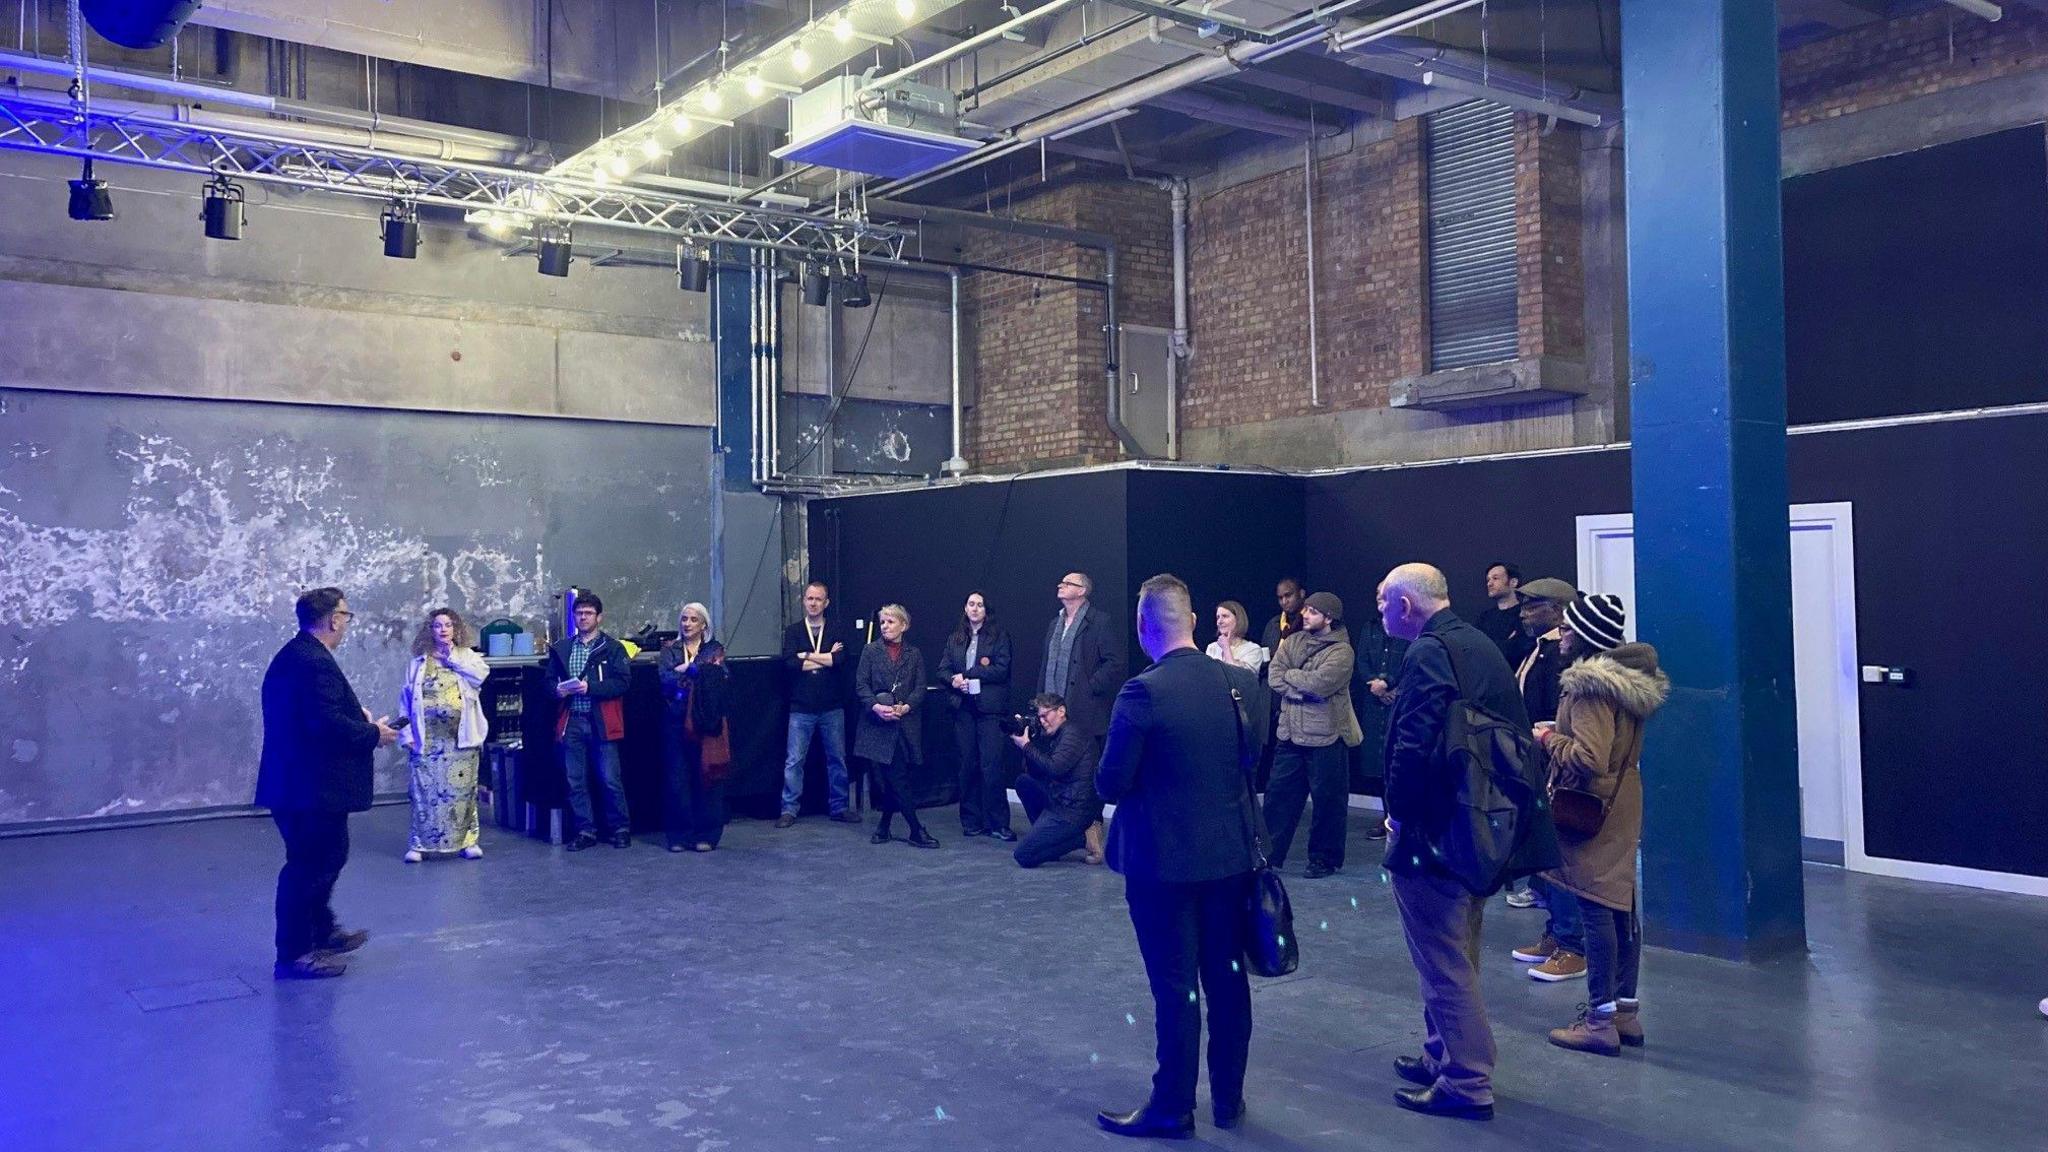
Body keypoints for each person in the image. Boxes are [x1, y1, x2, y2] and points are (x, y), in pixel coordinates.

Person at [1095, 574, 1259, 1139]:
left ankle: (1173, 1107)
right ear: (1191, 620)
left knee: (1175, 986)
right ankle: (1230, 1102)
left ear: (1144, 628)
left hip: (1162, 864)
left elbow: (1110, 782)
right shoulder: (1242, 684)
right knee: (1228, 979)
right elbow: (1247, 762)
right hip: (1232, 860)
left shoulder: (1142, 692)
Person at [1377, 562, 1531, 1120]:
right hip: (1477, 828)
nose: (1380, 610)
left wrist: (1398, 816)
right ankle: (1441, 1053)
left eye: (1383, 602)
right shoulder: (1478, 645)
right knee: (1457, 947)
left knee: (1442, 958)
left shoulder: (1427, 653)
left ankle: (1466, 1081)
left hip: (1436, 831)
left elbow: (1411, 748)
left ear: (1407, 607)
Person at [1538, 594, 1664, 1055]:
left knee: (1595, 906)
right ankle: (1625, 1012)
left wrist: (1549, 737)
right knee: (1621, 904)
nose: (1560, 635)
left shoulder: (1589, 687)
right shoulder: (1631, 682)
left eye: (1568, 629)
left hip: (1591, 805)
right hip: (1625, 799)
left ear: (1587, 637)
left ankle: (1598, 1019)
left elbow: (1589, 758)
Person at [256, 587, 400, 980]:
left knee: (324, 859)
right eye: (346, 616)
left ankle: (322, 932)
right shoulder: (313, 662)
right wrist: (373, 734)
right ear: (335, 619)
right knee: (310, 866)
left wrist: (359, 719)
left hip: (299, 784)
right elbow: (327, 726)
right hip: (309, 788)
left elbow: (317, 716)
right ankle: (296, 954)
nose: (347, 623)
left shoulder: (297, 655)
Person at [1506, 577, 1589, 980]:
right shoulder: (1537, 649)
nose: (1523, 612)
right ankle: (1556, 933)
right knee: (1540, 855)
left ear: (1558, 610)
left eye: (1532, 605)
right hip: (1537, 763)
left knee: (1560, 857)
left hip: (1558, 766)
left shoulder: (1565, 655)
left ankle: (1573, 943)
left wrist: (1548, 738)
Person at [1263, 591, 1362, 878]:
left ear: (1329, 618)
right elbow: (1274, 676)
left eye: (1313, 611)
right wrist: (1298, 684)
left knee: (1328, 802)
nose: (1305, 614)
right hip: (1290, 735)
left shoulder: (1342, 652)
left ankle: (1324, 859)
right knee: (1278, 799)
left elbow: (1320, 685)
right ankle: (1268, 856)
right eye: (1305, 610)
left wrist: (1293, 677)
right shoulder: (1293, 641)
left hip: (1326, 738)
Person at [395, 608, 489, 863]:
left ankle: (467, 841)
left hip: (459, 738)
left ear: (456, 629)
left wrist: (453, 661)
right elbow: (405, 701)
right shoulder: (418, 663)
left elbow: (481, 676)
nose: (443, 630)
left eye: (449, 625)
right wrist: (406, 735)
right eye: (438, 625)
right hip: (427, 738)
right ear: (430, 630)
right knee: (423, 791)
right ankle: (420, 843)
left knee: (462, 792)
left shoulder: (467, 657)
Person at [547, 592, 633, 851]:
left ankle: (620, 828)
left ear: (599, 617)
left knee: (609, 778)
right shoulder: (563, 648)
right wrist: (558, 690)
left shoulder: (613, 648)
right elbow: (548, 682)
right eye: (579, 613)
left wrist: (590, 688)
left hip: (601, 721)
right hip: (571, 720)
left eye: (588, 613)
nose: (583, 617)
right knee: (575, 779)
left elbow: (622, 682)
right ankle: (585, 830)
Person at [856, 605, 937, 849]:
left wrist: (906, 707)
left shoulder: (914, 654)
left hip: (905, 723)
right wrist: (876, 707)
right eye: (882, 622)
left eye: (891, 622)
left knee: (896, 777)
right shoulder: (870, 651)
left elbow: (920, 687)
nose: (885, 626)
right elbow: (861, 686)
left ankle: (883, 826)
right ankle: (915, 829)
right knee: (897, 775)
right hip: (879, 724)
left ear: (904, 625)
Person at [780, 581, 859, 827]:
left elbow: (841, 659)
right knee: (794, 760)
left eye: (818, 599)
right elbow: (790, 664)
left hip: (831, 706)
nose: (813, 603)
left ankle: (839, 806)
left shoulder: (836, 629)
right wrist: (825, 657)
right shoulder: (793, 631)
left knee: (837, 758)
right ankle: (789, 809)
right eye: (809, 598)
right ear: (804, 601)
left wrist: (806, 655)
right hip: (801, 706)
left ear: (826, 603)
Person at [939, 591, 1016, 841]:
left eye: (980, 605)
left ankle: (998, 823)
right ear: (965, 608)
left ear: (986, 610)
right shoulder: (956, 638)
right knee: (967, 765)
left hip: (989, 710)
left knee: (991, 765)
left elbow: (1001, 669)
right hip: (963, 708)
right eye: (971, 604)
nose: (974, 609)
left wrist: (972, 674)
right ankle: (971, 821)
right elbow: (943, 669)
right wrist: (954, 679)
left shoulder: (999, 636)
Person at [658, 602, 732, 853]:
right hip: (676, 720)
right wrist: (696, 672)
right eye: (684, 619)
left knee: (707, 778)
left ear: (704, 625)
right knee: (677, 779)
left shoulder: (714, 648)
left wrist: (688, 670)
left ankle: (707, 834)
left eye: (692, 620)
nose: (687, 624)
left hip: (705, 720)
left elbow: (720, 677)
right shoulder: (670, 649)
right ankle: (679, 835)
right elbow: (665, 681)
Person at [1008, 692, 1104, 867]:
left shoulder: (1073, 734)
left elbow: (1054, 768)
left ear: (1061, 711)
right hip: (1059, 798)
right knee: (1024, 782)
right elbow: (1037, 773)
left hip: (1074, 810)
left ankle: (1083, 839)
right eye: (1040, 717)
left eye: (1045, 716)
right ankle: (1051, 841)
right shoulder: (1055, 734)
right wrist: (1028, 742)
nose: (1042, 721)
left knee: (1024, 856)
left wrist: (1027, 746)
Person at [1041, 571, 1124, 739]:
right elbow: (1046, 664)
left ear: (1081, 591)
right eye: (1061, 582)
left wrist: (1089, 686)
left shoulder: (1099, 621)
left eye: (1068, 583)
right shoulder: (1054, 624)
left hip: (1083, 709)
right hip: (1053, 707)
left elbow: (1115, 661)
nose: (1060, 585)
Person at [1472, 562, 1535, 669]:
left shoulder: (1526, 615)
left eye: (1495, 578)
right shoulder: (1484, 618)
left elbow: (1522, 649)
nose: (1489, 584)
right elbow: (1475, 650)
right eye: (1488, 580)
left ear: (1513, 582)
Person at [1206, 600, 1266, 671]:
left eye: (1225, 616)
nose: (1219, 621)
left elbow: (1238, 676)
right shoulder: (1212, 648)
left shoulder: (1253, 649)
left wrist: (1226, 648)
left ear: (1238, 619)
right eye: (1218, 617)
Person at [1260, 577, 1306, 659]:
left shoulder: (1311, 622)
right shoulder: (1273, 624)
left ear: (1301, 593)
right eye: (1280, 598)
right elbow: (1265, 657)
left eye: (1288, 595)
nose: (1284, 602)